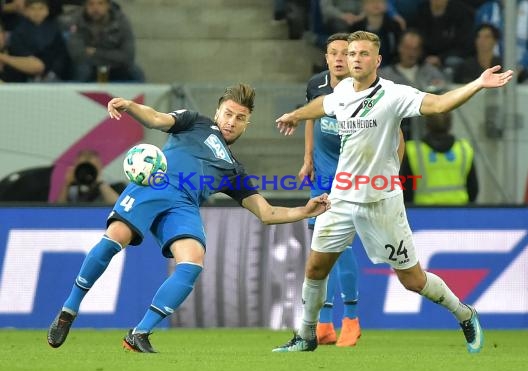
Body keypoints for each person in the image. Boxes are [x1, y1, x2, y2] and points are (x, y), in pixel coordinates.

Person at [272, 30, 513, 353]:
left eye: (363, 54)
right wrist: (296, 115)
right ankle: (306, 335)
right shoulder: (342, 90)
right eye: (352, 54)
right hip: (341, 198)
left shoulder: (394, 94)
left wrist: (477, 84)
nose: (355, 59)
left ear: (378, 60)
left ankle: (465, 313)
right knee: (315, 268)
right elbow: (323, 105)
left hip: (380, 202)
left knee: (412, 280)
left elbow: (439, 104)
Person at [46, 83, 331, 353]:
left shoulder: (233, 171)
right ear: (218, 111)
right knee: (115, 239)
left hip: (184, 206)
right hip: (156, 185)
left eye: (240, 118)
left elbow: (266, 213)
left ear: (247, 123)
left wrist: (304, 211)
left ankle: (139, 334)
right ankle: (69, 310)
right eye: (228, 114)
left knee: (193, 259)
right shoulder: (195, 121)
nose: (232, 121)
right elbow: (157, 119)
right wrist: (131, 106)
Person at [301, 32, 406, 347]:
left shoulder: (370, 90)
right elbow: (313, 116)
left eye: (344, 53)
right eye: (333, 53)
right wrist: (307, 158)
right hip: (323, 174)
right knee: (320, 248)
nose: (338, 58)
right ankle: (323, 325)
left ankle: (351, 317)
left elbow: (397, 136)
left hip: (355, 177)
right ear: (327, 57)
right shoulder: (317, 85)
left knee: (340, 249)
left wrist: (392, 174)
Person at [400, 112, 479, 204]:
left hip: (422, 213)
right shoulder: (464, 149)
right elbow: (473, 189)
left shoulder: (413, 151)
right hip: (459, 212)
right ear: (450, 124)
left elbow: (406, 189)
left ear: (427, 124)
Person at [66, 0, 144, 82]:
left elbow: (128, 56)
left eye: (100, 3)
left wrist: (95, 52)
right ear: (85, 6)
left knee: (136, 72)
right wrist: (112, 56)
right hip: (89, 66)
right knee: (82, 70)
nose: (95, 8)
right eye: (91, 4)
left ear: (108, 6)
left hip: (115, 67)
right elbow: (77, 54)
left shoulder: (121, 22)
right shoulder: (77, 21)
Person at [0, 0, 69, 82]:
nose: (37, 12)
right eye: (33, 9)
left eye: (41, 8)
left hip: (54, 75)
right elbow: (20, 54)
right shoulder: (18, 32)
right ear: (26, 11)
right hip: (25, 75)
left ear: (47, 11)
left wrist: (53, 73)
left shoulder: (56, 30)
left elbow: (61, 55)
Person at [56, 149, 121, 204]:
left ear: (100, 167)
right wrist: (66, 184)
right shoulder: (72, 190)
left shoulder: (115, 186)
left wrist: (100, 183)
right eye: (83, 167)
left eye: (91, 167)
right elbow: (57, 211)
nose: (87, 171)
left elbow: (119, 207)